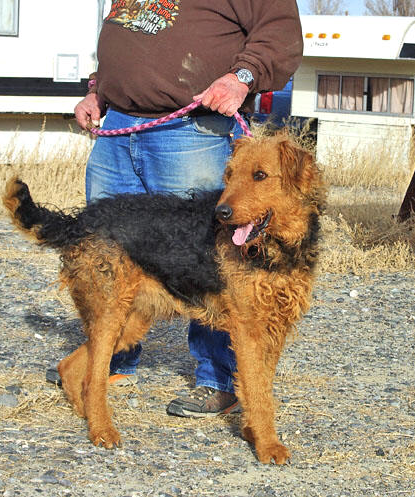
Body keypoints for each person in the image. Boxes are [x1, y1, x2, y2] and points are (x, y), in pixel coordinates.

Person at [72, 0, 303, 418]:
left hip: (189, 129)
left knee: (211, 258)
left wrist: (240, 78)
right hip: (118, 127)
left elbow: (281, 35)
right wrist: (96, 89)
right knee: (109, 261)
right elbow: (128, 31)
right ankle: (112, 361)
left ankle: (219, 381)